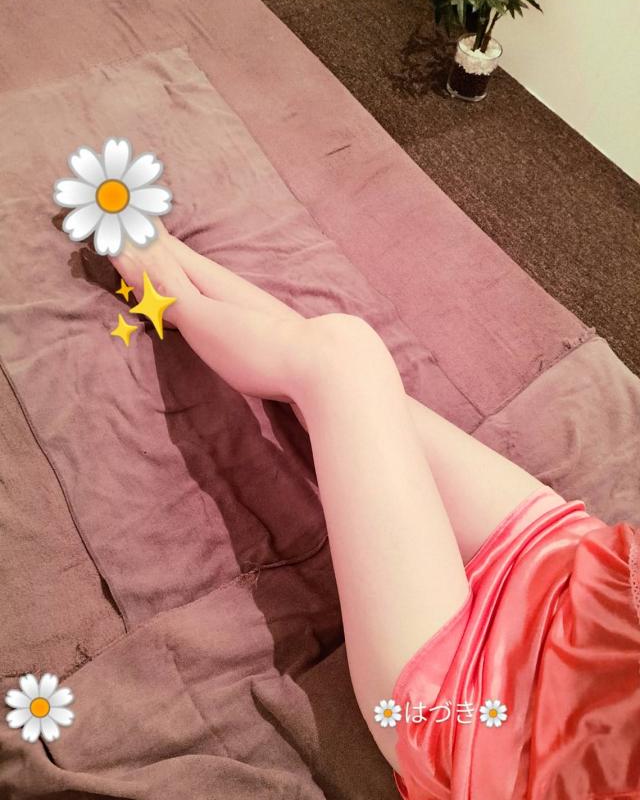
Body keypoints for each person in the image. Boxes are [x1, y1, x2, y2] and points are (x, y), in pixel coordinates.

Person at [107, 220, 640, 800]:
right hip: (582, 582)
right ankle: (176, 262)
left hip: (486, 727)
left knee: (344, 357)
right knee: (357, 378)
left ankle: (168, 291)